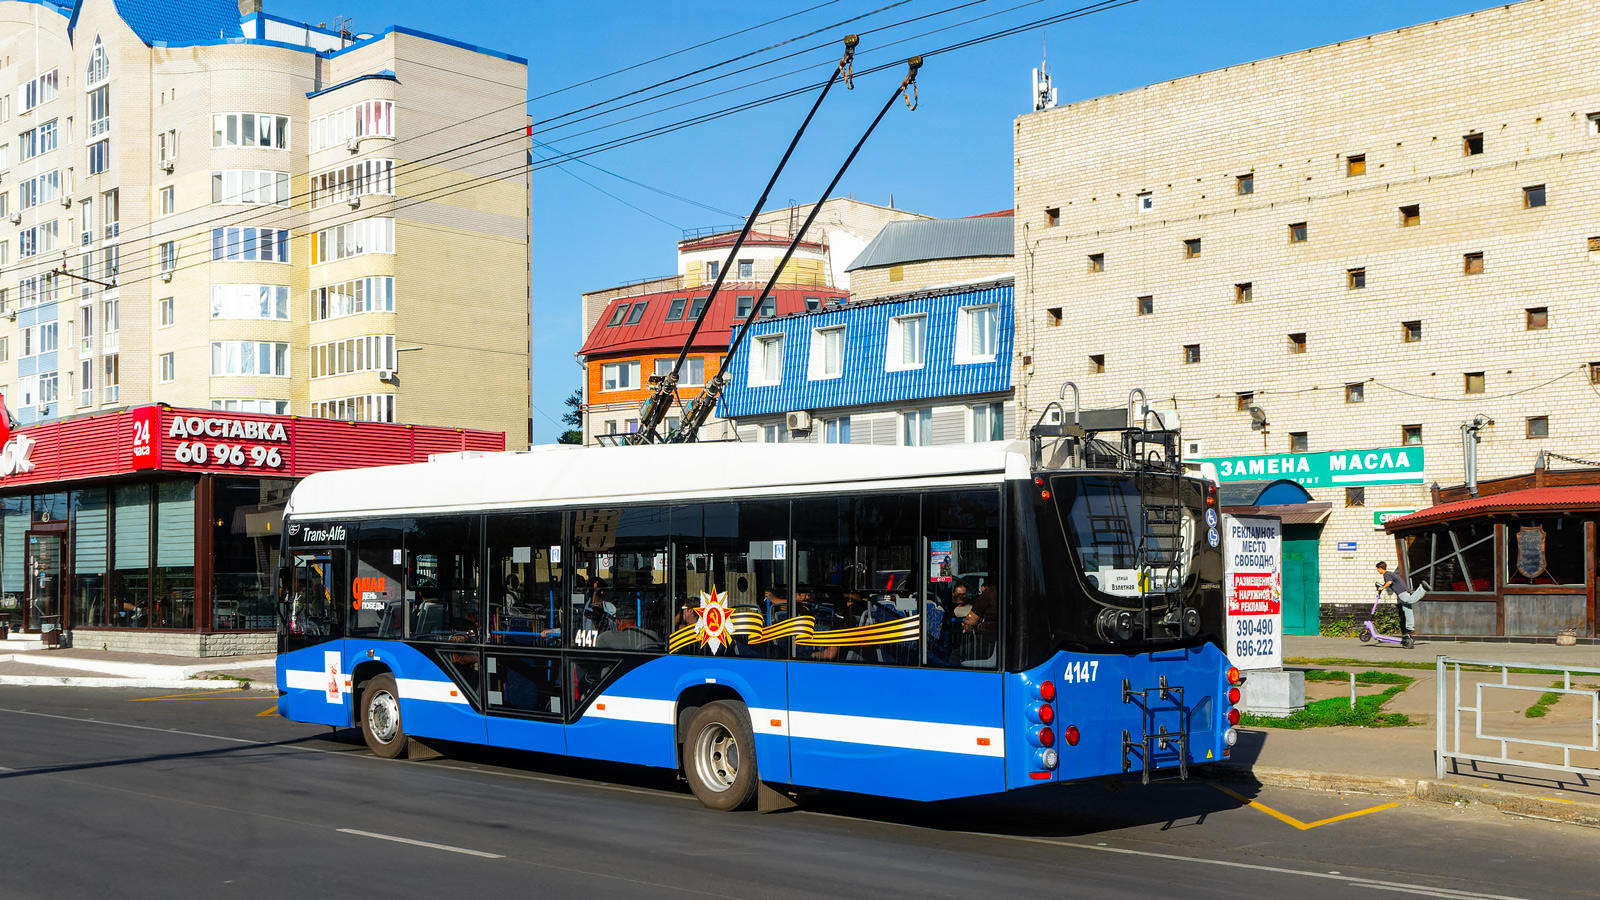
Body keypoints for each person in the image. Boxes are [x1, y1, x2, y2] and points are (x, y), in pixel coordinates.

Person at [1375, 561, 1425, 638]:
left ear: (1381, 568)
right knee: (1407, 609)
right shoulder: (1391, 574)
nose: (1378, 571)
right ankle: (1410, 628)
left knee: (1410, 600)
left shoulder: (1386, 574)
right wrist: (1382, 586)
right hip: (1404, 591)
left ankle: (1422, 589)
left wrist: (1382, 587)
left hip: (1401, 592)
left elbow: (1389, 582)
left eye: (1378, 569)